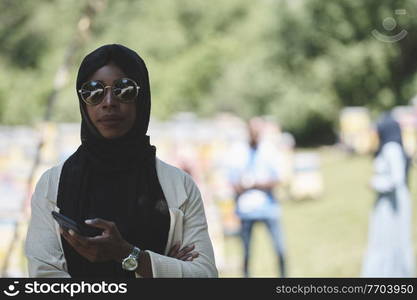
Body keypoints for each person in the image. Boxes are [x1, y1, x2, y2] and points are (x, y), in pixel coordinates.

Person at [24, 44, 218, 278]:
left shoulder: (179, 187)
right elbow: (44, 278)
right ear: (83, 102)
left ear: (142, 97)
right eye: (93, 91)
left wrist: (130, 255)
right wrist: (163, 267)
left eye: (124, 89)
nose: (108, 102)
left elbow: (204, 277)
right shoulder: (53, 184)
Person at [227, 117, 286, 277]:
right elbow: (232, 182)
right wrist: (243, 185)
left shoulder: (269, 150)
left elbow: (278, 179)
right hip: (246, 211)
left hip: (269, 209)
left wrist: (255, 184)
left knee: (280, 250)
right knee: (246, 253)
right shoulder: (237, 152)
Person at [361, 113, 415, 277]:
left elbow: (396, 179)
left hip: (393, 203)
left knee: (392, 240)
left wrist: (375, 183)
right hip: (388, 201)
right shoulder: (389, 147)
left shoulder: (391, 148)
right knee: (383, 239)